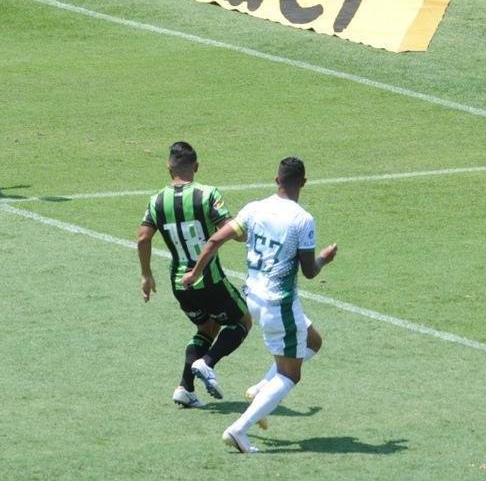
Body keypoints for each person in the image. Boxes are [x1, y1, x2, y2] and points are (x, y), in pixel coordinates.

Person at [181, 157, 339, 454]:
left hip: (251, 297)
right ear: (303, 182)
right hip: (278, 305)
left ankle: (259, 390)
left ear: (276, 178)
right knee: (290, 374)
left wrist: (195, 273)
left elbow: (215, 240)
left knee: (313, 342)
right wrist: (324, 259)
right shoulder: (302, 219)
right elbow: (309, 271)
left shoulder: (254, 208)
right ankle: (239, 429)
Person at [137, 142, 251, 409]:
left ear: (168, 166)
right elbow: (230, 230)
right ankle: (207, 363)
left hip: (179, 283)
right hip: (208, 279)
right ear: (196, 167)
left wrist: (146, 275)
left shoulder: (156, 201)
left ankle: (185, 388)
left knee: (206, 328)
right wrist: (243, 232)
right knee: (242, 320)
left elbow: (143, 238)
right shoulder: (208, 194)